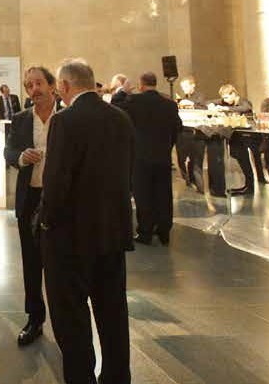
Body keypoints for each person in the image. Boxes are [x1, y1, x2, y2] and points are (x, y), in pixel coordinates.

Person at [39, 58, 135, 384]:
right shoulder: (120, 118)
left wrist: (45, 222)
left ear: (65, 86)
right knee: (113, 315)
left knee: (73, 320)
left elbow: (56, 181)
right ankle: (117, 377)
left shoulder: (65, 121)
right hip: (112, 232)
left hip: (72, 238)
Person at [4, 65, 59, 347]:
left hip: (59, 200)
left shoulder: (66, 118)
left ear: (52, 86)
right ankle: (34, 318)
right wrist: (22, 157)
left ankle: (64, 321)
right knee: (31, 261)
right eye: (29, 86)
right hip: (31, 199)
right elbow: (9, 151)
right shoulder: (21, 119)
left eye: (38, 83)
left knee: (61, 262)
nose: (34, 90)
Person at [116, 72, 181, 245]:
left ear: (141, 85)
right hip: (163, 156)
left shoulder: (134, 102)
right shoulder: (170, 104)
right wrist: (168, 146)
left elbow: (115, 107)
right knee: (163, 194)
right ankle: (164, 231)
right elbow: (177, 128)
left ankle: (145, 231)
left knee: (143, 195)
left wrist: (122, 91)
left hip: (140, 156)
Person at [208, 84, 252, 197]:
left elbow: (245, 108)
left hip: (246, 137)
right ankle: (247, 185)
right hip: (235, 137)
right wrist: (212, 105)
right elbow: (208, 102)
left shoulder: (243, 101)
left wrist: (226, 108)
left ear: (233, 94)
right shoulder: (225, 101)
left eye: (227, 97)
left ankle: (249, 186)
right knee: (240, 159)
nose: (225, 101)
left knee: (245, 161)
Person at [174, 75, 205, 189]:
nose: (184, 89)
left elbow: (203, 108)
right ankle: (188, 179)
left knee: (196, 161)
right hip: (183, 132)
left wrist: (191, 104)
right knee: (181, 158)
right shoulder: (183, 98)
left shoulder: (199, 97)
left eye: (186, 86)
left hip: (195, 131)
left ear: (193, 85)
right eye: (183, 87)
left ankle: (197, 184)